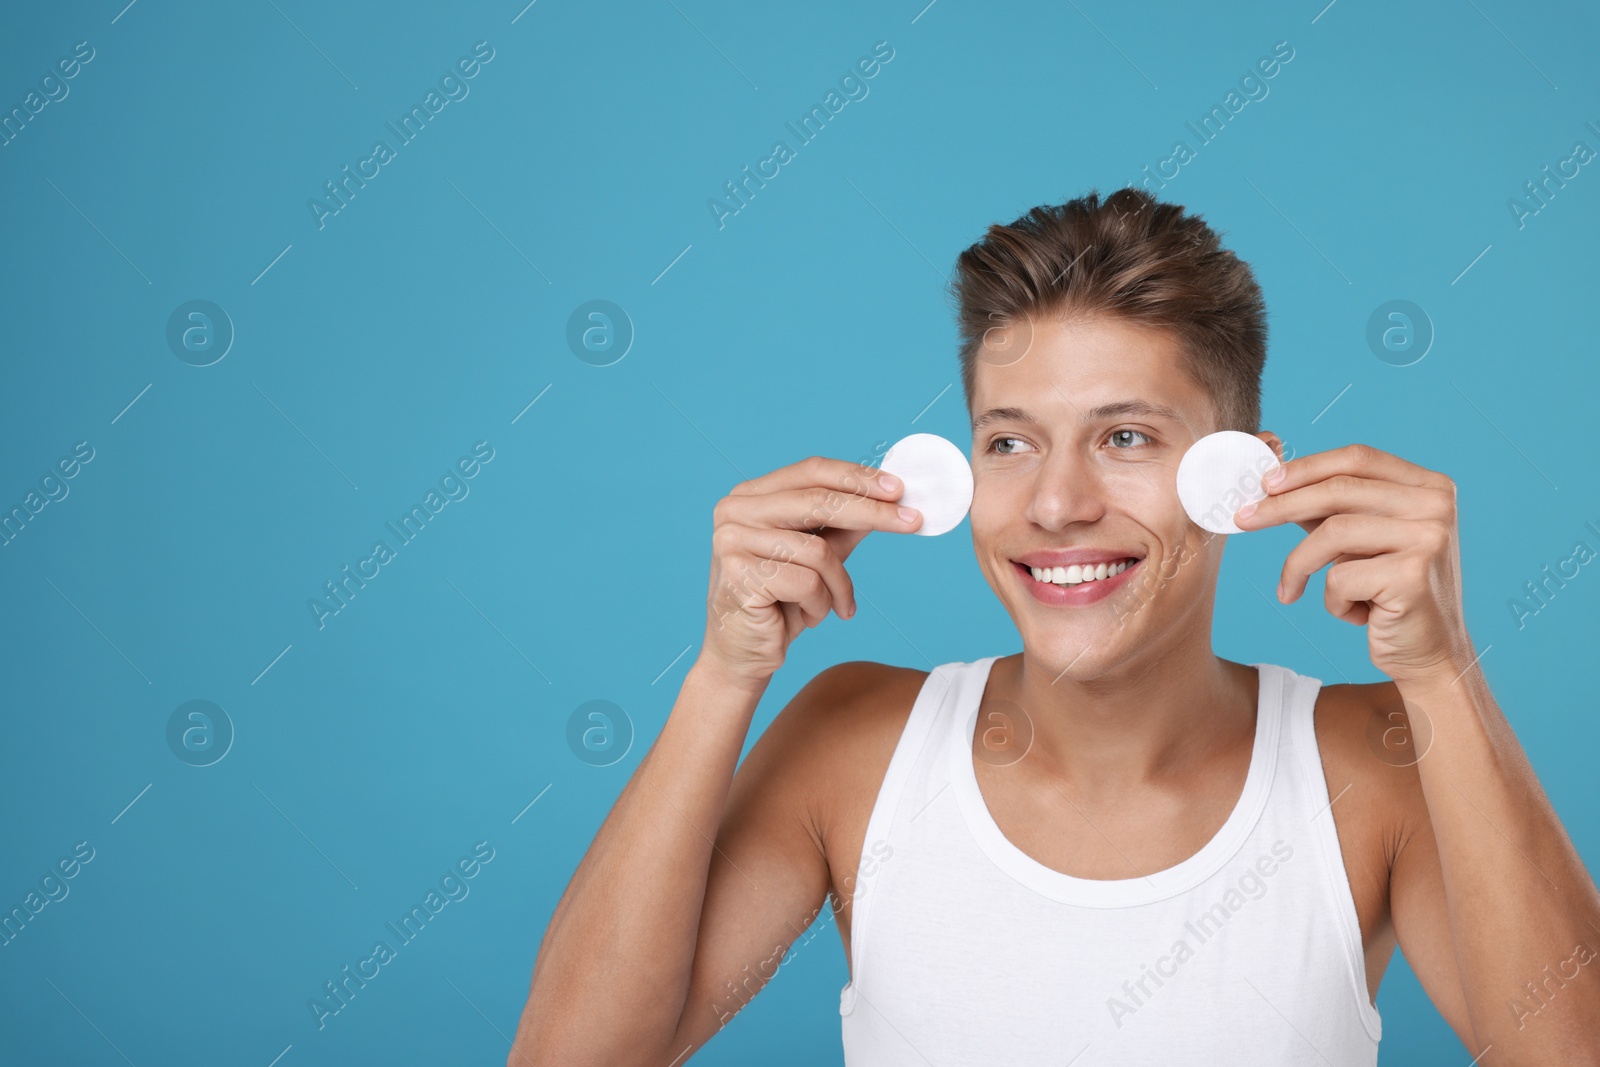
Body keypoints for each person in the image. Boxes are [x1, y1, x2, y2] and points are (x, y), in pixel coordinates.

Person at [507, 188, 1600, 1065]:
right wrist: (721, 675)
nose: (1055, 504)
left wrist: (1444, 674)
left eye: (1124, 436)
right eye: (1010, 441)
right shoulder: (853, 742)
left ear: (1241, 478)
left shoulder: (1371, 759)